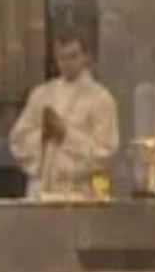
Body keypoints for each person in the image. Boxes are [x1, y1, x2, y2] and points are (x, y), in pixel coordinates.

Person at [9, 31, 119, 199]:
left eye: (73, 56)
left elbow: (105, 153)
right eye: (62, 57)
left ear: (85, 57)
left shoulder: (101, 99)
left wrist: (66, 135)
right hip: (41, 190)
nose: (67, 63)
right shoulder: (42, 94)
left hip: (78, 192)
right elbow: (18, 141)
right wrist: (42, 136)